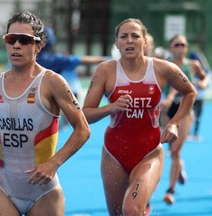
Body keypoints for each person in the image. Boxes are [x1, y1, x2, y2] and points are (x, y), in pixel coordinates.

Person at [0, 11, 90, 216]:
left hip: (44, 192)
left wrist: (53, 164)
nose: (16, 45)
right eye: (11, 39)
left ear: (38, 46)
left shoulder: (52, 82)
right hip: (3, 187)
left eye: (24, 40)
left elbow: (83, 129)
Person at [82, 18, 197, 215]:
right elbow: (86, 114)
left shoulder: (161, 68)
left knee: (132, 209)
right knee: (118, 213)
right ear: (117, 44)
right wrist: (111, 107)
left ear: (145, 42)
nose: (129, 41)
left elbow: (190, 92)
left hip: (149, 152)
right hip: (113, 155)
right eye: (123, 37)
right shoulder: (106, 71)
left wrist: (174, 123)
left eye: (135, 36)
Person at [161, 34, 207, 205]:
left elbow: (204, 77)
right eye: (176, 44)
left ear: (187, 48)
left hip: (185, 111)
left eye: (183, 44)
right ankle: (179, 168)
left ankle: (170, 191)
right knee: (172, 150)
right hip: (167, 111)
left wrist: (203, 83)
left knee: (175, 151)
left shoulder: (193, 65)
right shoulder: (164, 65)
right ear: (170, 47)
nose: (180, 47)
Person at [36, 27, 106, 128]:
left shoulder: (24, 58)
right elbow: (82, 60)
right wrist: (108, 59)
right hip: (48, 97)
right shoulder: (56, 59)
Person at [188, 51, 210, 141]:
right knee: (189, 115)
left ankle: (195, 133)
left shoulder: (203, 69)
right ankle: (187, 132)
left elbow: (207, 82)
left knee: (198, 115)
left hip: (200, 96)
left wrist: (202, 84)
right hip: (190, 96)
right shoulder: (187, 67)